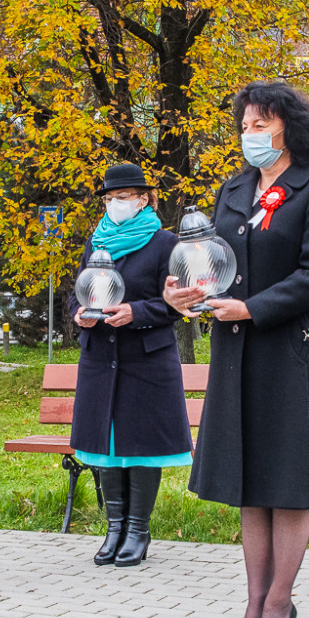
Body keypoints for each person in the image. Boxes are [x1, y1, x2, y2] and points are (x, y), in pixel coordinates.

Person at [166, 81, 309, 618]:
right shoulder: (235, 187)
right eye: (245, 123)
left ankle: (278, 606)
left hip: (291, 349)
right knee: (250, 482)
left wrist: (253, 306)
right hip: (237, 351)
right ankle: (253, 603)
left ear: (289, 128)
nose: (250, 133)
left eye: (261, 123)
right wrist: (185, 293)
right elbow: (214, 263)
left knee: (287, 483)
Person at [70, 163, 192, 567]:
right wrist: (78, 313)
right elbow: (80, 290)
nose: (115, 205)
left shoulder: (164, 243)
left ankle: (138, 530)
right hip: (100, 357)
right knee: (106, 448)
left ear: (143, 199)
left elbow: (176, 303)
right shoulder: (96, 242)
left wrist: (134, 311)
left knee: (140, 446)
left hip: (146, 359)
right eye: (109, 198)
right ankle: (113, 528)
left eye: (122, 197)